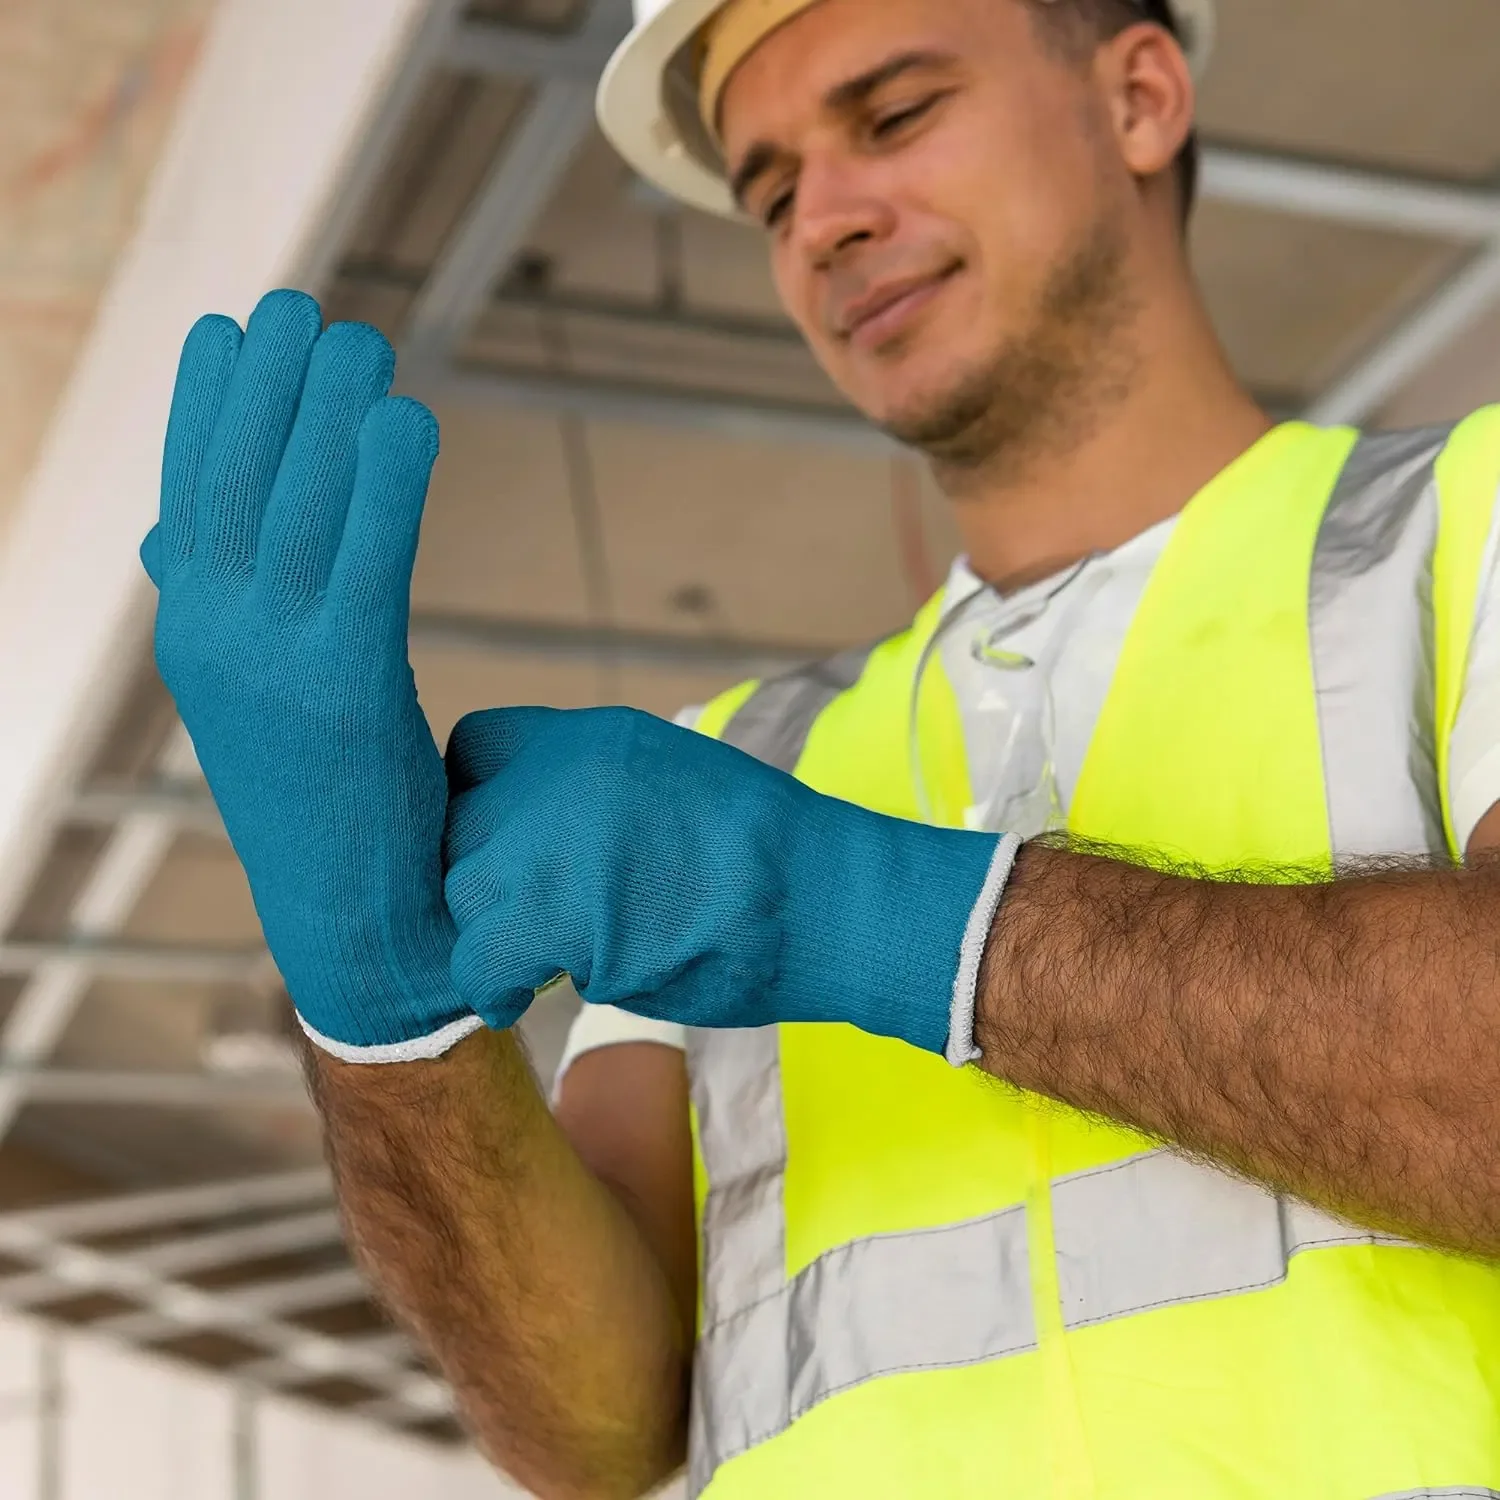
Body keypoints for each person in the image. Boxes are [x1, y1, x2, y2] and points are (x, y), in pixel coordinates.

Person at [142, 0, 1500, 1496]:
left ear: (1139, 97)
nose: (825, 225)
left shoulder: (1464, 530)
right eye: (773, 190)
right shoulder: (737, 753)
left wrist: (857, 913)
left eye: (896, 114)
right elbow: (593, 1427)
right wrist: (380, 1012)